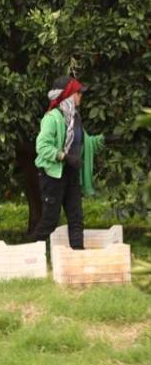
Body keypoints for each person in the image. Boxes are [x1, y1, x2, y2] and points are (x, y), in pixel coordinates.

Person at [27, 75, 109, 249]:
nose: (81, 96)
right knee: (50, 220)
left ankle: (78, 256)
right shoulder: (52, 118)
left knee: (76, 217)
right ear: (68, 95)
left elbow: (86, 142)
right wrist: (65, 157)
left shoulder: (74, 118)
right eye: (78, 93)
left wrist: (107, 139)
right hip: (52, 175)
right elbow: (42, 146)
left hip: (71, 173)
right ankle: (30, 254)